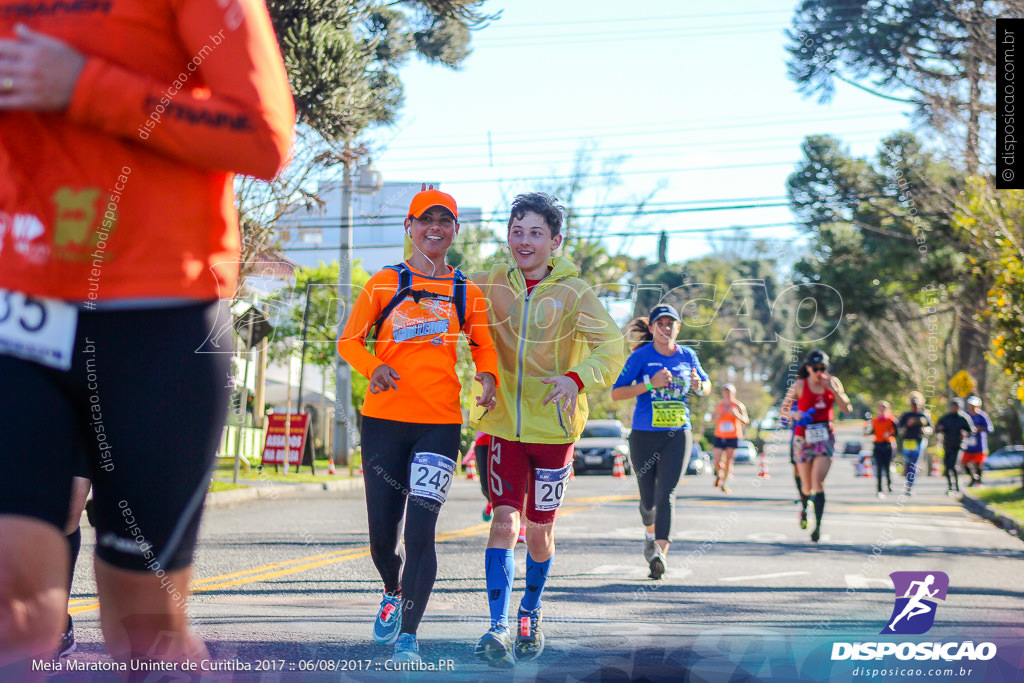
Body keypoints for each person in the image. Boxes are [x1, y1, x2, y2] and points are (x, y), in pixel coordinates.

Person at [0, 4, 294, 675]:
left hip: (158, 315)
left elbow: (262, 138)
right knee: (13, 606)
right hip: (18, 302)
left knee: (144, 630)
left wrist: (85, 84)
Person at [337, 188, 498, 664]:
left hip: (440, 425)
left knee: (421, 534)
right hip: (384, 421)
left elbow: (483, 345)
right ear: (408, 227)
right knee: (382, 540)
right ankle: (392, 587)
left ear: (454, 231)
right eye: (425, 220)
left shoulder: (466, 289)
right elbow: (349, 342)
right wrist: (374, 368)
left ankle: (409, 635)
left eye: (444, 220)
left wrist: (486, 374)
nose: (435, 228)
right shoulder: (384, 283)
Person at [469, 192, 625, 668]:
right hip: (502, 425)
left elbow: (613, 347)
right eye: (517, 231)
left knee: (540, 532)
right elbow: (445, 295)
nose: (524, 241)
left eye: (535, 233)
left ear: (555, 242)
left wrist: (576, 378)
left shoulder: (574, 293)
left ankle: (530, 611)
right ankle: (496, 625)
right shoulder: (491, 280)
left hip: (554, 432)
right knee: (504, 521)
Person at [612, 304, 710, 578]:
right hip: (644, 435)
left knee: (666, 494)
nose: (666, 328)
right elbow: (617, 393)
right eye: (661, 324)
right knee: (648, 501)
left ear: (678, 327)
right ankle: (649, 531)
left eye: (671, 324)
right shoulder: (641, 356)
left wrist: (698, 385)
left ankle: (660, 553)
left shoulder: (688, 355)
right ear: (652, 328)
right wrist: (650, 384)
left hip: (678, 434)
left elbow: (705, 384)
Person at [780, 350, 852, 543]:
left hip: (824, 438)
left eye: (823, 368)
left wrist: (833, 390)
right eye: (815, 368)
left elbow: (847, 408)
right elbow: (783, 409)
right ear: (808, 368)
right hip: (803, 438)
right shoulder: (799, 385)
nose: (819, 372)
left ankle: (817, 527)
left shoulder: (832, 383)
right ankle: (804, 508)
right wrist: (794, 415)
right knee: (806, 486)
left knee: (818, 482)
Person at [710, 383, 749, 494]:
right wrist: (717, 416)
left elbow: (746, 421)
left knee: (728, 461)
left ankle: (725, 483)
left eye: (729, 391)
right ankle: (719, 475)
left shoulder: (738, 405)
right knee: (716, 460)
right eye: (725, 391)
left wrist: (737, 415)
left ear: (733, 393)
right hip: (720, 435)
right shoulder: (719, 405)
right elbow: (712, 419)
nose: (727, 393)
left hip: (733, 436)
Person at [935, 398, 974, 494]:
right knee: (947, 466)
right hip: (947, 445)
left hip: (958, 446)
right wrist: (940, 428)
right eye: (953, 406)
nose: (954, 408)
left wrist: (965, 433)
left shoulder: (963, 418)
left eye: (956, 406)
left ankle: (956, 486)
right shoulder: (946, 418)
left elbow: (971, 430)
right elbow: (936, 429)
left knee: (954, 465)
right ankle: (949, 486)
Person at [897, 392, 934, 496]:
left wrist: (925, 428)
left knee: (914, 464)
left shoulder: (924, 415)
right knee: (908, 464)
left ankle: (910, 486)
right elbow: (899, 430)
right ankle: (908, 480)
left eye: (916, 404)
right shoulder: (906, 415)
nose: (915, 406)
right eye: (913, 404)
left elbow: (931, 429)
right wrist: (908, 424)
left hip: (919, 442)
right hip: (907, 442)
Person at [868, 401, 899, 498]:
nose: (882, 410)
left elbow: (897, 432)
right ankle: (879, 488)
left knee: (887, 466)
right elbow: (872, 432)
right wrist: (867, 433)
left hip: (888, 445)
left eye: (884, 408)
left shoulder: (891, 420)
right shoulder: (874, 421)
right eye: (880, 408)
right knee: (879, 467)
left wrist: (889, 434)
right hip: (878, 445)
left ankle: (889, 484)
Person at [962, 396, 994, 487]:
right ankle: (972, 478)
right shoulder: (966, 415)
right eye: (970, 405)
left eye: (974, 405)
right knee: (964, 462)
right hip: (968, 444)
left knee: (978, 464)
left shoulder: (982, 416)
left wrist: (980, 428)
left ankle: (978, 481)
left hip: (979, 444)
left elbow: (990, 429)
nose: (972, 407)